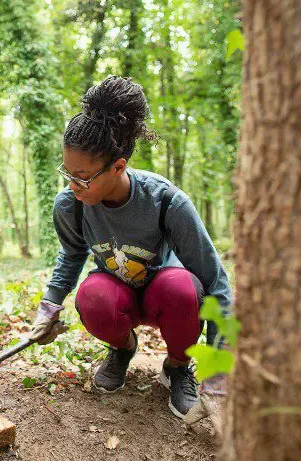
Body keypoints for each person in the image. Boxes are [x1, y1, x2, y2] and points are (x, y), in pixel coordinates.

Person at [29, 76, 233, 421]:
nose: (73, 185)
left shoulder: (166, 201)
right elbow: (73, 254)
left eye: (82, 177)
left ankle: (178, 367)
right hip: (117, 293)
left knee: (184, 288)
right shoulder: (70, 205)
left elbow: (218, 285)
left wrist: (218, 376)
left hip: (164, 295)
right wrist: (49, 305)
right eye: (68, 173)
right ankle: (123, 349)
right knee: (93, 295)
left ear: (118, 166)